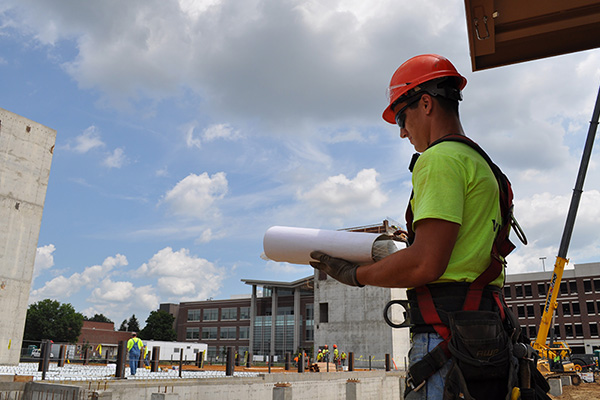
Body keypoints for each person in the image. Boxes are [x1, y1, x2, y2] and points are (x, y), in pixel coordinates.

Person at [310, 54, 517, 399]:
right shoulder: (481, 164)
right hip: (484, 331)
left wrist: (356, 274)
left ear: (425, 103)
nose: (403, 132)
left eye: (402, 118)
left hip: (446, 336)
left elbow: (426, 263)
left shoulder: (439, 159)